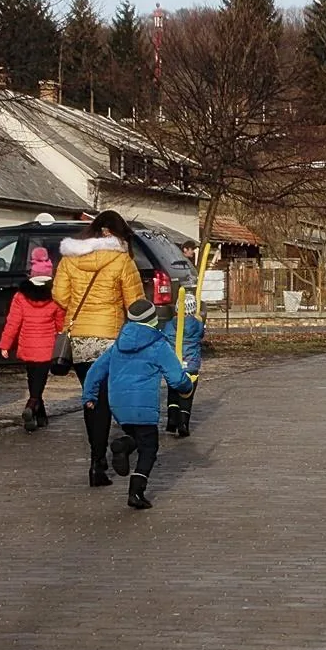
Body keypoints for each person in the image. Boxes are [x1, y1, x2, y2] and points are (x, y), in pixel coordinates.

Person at [53, 210, 146, 487]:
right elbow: (135, 304)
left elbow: (60, 296)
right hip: (110, 337)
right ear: (115, 234)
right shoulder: (121, 261)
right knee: (109, 397)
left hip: (80, 336)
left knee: (91, 396)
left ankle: (96, 464)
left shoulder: (70, 259)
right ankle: (113, 451)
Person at [81, 299, 194, 509]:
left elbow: (95, 371)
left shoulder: (118, 344)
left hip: (119, 405)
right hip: (143, 405)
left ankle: (122, 445)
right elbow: (176, 378)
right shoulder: (158, 345)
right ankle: (136, 491)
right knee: (149, 447)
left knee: (136, 436)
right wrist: (187, 387)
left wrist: (89, 396)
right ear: (153, 320)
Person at [0, 272, 64, 432]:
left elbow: (13, 322)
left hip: (27, 345)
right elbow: (60, 324)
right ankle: (31, 406)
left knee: (33, 379)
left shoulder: (20, 296)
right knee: (39, 383)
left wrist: (5, 344)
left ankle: (40, 417)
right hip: (47, 347)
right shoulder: (56, 296)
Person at [163, 291, 204, 438]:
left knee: (173, 392)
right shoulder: (197, 325)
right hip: (191, 365)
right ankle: (184, 422)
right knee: (187, 394)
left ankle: (172, 420)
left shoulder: (169, 325)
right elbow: (201, 333)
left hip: (174, 364)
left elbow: (165, 336)